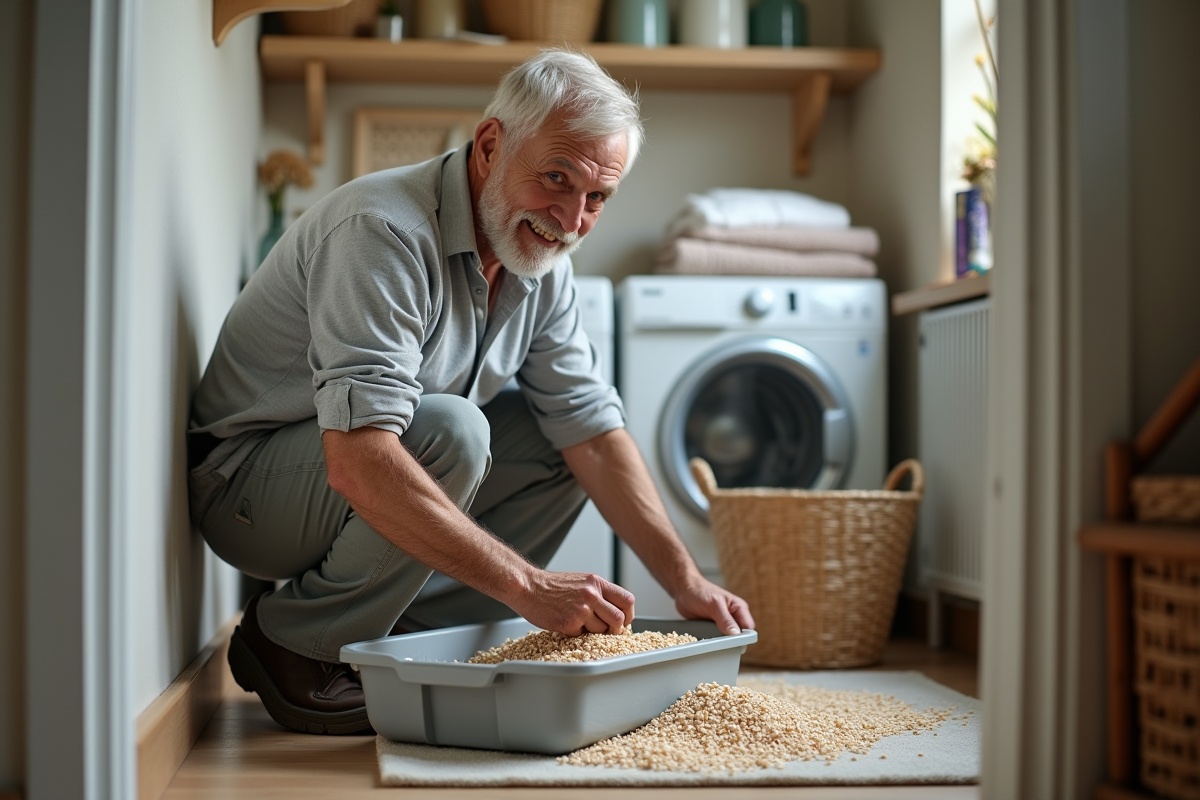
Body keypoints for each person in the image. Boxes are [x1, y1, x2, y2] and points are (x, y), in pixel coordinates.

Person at [187, 49, 754, 736]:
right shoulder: (383, 230)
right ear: (490, 145)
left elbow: (593, 435)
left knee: (556, 441)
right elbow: (359, 459)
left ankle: (396, 640)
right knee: (455, 431)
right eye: (556, 177)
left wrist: (685, 580)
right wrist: (528, 588)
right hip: (246, 493)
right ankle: (295, 641)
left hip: (343, 485)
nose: (571, 218)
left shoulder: (541, 263)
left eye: (597, 198)